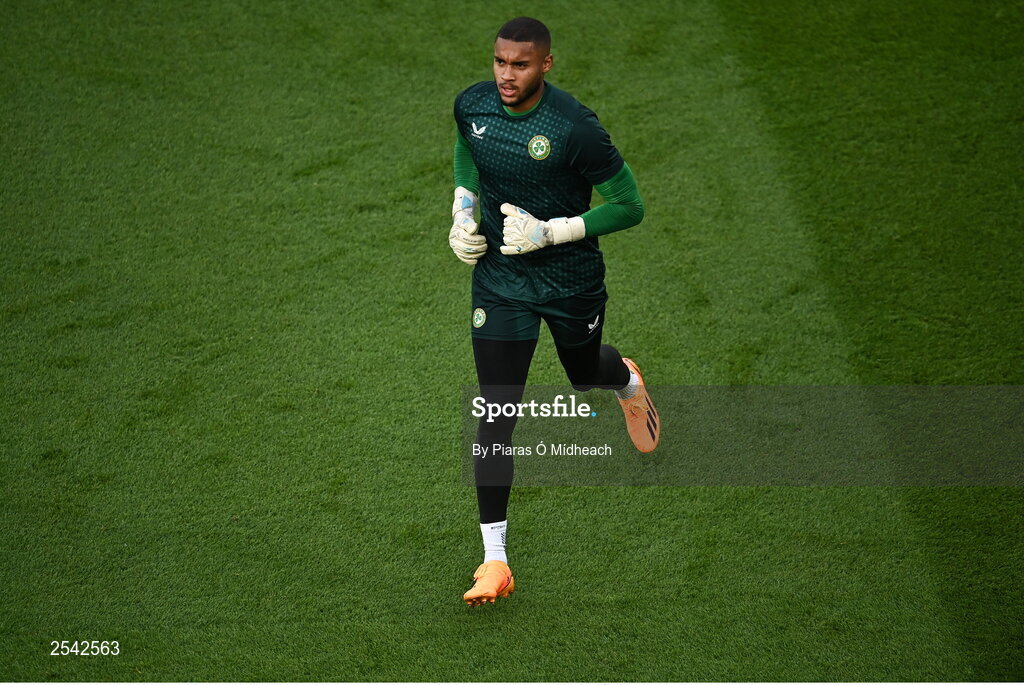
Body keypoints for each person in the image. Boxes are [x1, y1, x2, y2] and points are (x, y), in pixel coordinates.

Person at [449, 16, 660, 607]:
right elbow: (468, 153)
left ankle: (626, 379)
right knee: (496, 412)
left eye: (520, 64)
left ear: (545, 64)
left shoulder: (574, 128)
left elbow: (630, 205)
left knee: (584, 373)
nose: (506, 75)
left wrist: (552, 231)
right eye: (499, 62)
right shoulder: (472, 106)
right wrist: (463, 212)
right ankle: (495, 560)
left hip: (569, 280)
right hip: (502, 281)